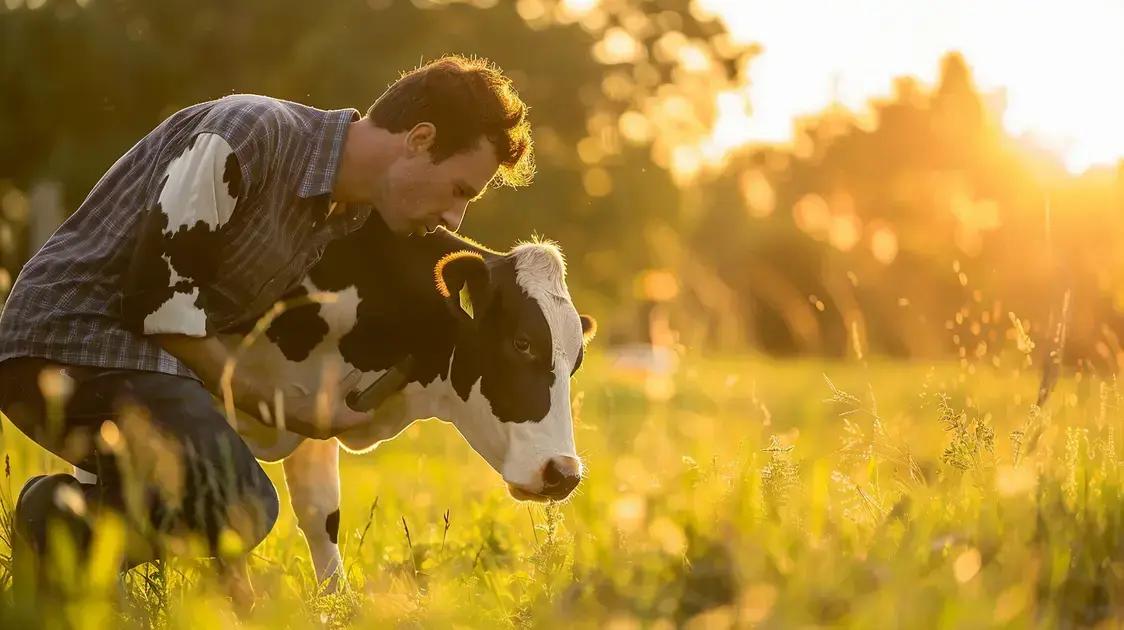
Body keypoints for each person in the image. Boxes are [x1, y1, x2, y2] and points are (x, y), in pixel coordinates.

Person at [0, 54, 534, 574]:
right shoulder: (250, 134)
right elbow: (160, 299)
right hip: (68, 340)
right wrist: (287, 411)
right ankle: (44, 518)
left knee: (215, 502)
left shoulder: (340, 215)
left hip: (134, 363)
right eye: (460, 191)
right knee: (244, 505)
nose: (454, 218)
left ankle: (57, 546)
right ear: (420, 139)